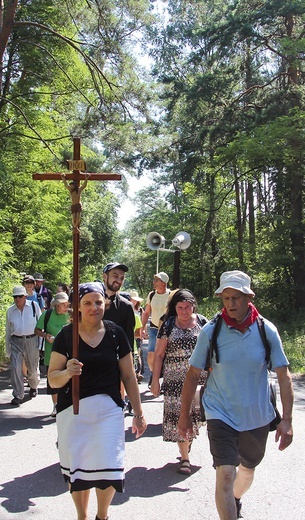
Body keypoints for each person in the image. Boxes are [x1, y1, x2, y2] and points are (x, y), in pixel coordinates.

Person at [178, 270, 294, 519]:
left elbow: (284, 378)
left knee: (247, 471)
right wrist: (184, 416)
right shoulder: (210, 331)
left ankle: (235, 499)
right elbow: (192, 375)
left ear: (249, 296)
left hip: (257, 414)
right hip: (220, 411)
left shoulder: (267, 331)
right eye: (226, 298)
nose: (231, 304)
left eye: (237, 297)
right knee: (226, 472)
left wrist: (287, 420)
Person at [48, 282, 146, 520]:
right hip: (73, 411)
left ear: (106, 303)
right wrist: (67, 373)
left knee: (109, 468)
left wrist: (139, 413)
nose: (94, 307)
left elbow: (129, 376)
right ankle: (82, 516)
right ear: (77, 307)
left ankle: (102, 515)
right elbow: (53, 379)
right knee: (78, 472)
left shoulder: (115, 333)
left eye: (99, 302)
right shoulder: (66, 336)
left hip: (109, 411)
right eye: (88, 303)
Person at [151, 288, 208, 475]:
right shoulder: (168, 325)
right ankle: (185, 457)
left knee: (196, 417)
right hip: (174, 380)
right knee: (179, 417)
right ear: (175, 308)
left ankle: (187, 442)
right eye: (180, 307)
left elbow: (213, 351)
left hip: (199, 379)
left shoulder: (203, 323)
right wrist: (155, 381)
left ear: (193, 306)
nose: (184, 311)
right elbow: (159, 355)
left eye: (188, 307)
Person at [34, 292, 70, 417]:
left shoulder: (70, 315)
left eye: (67, 304)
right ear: (56, 305)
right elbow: (37, 330)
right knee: (53, 381)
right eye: (63, 304)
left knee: (68, 379)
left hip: (68, 353)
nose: (66, 306)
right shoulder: (47, 314)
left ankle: (67, 404)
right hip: (52, 354)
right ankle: (56, 405)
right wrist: (46, 335)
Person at [6, 285, 42, 405]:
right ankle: (18, 394)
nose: (17, 299)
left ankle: (33, 386)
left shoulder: (33, 306)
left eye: (20, 296)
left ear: (25, 296)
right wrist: (7, 349)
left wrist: (41, 344)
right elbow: (8, 330)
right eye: (15, 297)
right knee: (16, 367)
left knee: (32, 367)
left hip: (32, 339)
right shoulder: (10, 311)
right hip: (16, 341)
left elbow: (40, 325)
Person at [141, 272, 171, 385]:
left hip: (167, 329)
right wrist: (142, 327)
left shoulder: (171, 295)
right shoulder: (151, 295)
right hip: (154, 329)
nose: (154, 282)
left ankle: (162, 379)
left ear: (163, 283)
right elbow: (146, 312)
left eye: (156, 280)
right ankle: (155, 376)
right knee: (151, 356)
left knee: (165, 356)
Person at [130, 290, 144, 383]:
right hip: (130, 340)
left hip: (136, 339)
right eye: (132, 299)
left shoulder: (139, 311)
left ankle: (137, 373)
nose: (134, 301)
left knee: (137, 354)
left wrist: (143, 333)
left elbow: (141, 326)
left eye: (135, 300)